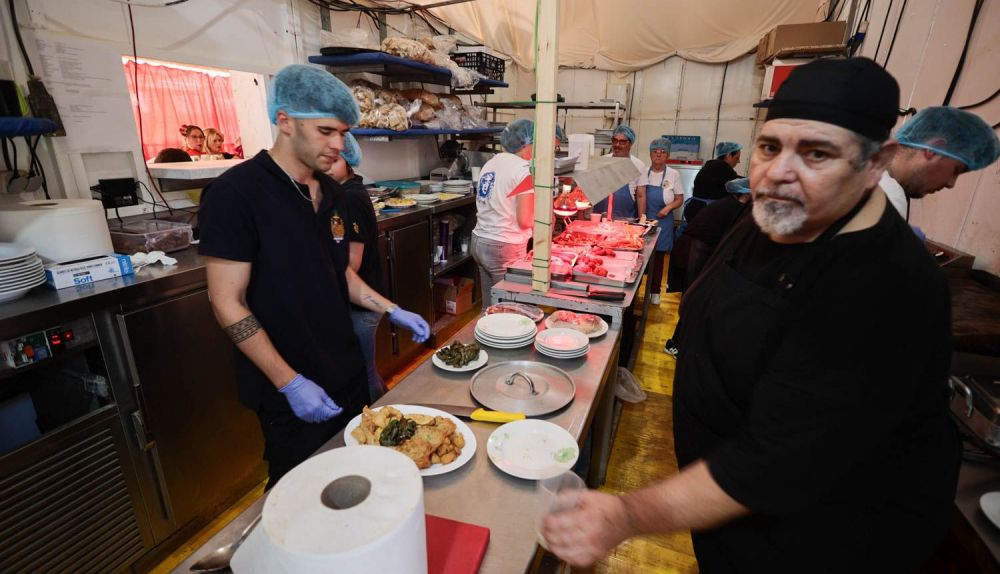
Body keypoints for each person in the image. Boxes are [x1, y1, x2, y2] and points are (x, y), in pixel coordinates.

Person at [541, 58, 959, 573]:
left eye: (817, 153)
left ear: (877, 163)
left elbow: (775, 465)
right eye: (769, 146)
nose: (779, 171)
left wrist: (624, 515)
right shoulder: (779, 214)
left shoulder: (886, 288)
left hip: (814, 542)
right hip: (728, 514)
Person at [198, 64, 430, 487]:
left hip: (343, 368)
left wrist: (391, 309)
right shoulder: (236, 194)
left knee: (355, 474)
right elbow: (225, 301)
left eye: (342, 133)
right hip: (289, 380)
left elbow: (339, 274)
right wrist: (290, 384)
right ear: (284, 121)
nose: (338, 145)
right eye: (326, 131)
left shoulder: (333, 194)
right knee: (299, 490)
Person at [471, 118, 561, 306]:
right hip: (503, 247)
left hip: (479, 240)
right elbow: (524, 220)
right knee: (509, 309)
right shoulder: (523, 170)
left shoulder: (492, 163)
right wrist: (546, 218)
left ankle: (486, 334)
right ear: (531, 142)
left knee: (490, 305)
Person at [326, 133, 387, 403]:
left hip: (361, 305)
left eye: (335, 160)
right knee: (365, 371)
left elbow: (353, 261)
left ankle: (382, 422)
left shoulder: (350, 199)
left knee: (364, 375)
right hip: (360, 301)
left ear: (349, 161)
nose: (327, 166)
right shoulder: (343, 194)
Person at [663, 177, 752, 357]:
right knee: (696, 298)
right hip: (695, 252)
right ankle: (676, 344)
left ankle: (681, 342)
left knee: (696, 297)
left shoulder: (728, 204)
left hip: (694, 251)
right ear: (747, 194)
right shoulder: (735, 209)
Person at [880, 106, 1000, 220]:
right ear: (933, 149)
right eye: (956, 170)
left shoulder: (867, 164)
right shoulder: (888, 200)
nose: (951, 184)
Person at [640, 138, 683, 305]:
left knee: (658, 258)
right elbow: (640, 195)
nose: (658, 154)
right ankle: (637, 289)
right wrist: (642, 217)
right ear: (650, 154)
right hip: (645, 219)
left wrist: (668, 208)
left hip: (663, 221)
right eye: (655, 151)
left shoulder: (673, 174)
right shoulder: (644, 171)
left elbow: (679, 198)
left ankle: (655, 291)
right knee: (641, 257)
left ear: (668, 155)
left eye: (662, 152)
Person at [592, 125, 646, 220]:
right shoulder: (602, 162)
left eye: (622, 142)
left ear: (630, 144)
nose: (617, 145)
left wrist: (642, 220)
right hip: (600, 218)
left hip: (625, 219)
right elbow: (592, 190)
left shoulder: (638, 165)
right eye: (615, 141)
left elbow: (641, 195)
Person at [683, 141, 741, 222]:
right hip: (705, 211)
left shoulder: (711, 165)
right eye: (737, 158)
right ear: (728, 155)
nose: (738, 162)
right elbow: (738, 185)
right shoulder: (722, 166)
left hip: (696, 209)